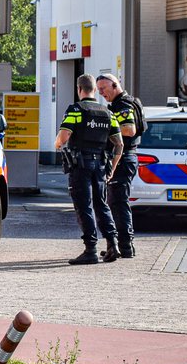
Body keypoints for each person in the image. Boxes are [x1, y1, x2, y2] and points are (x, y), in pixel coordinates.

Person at [55, 74, 122, 265]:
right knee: (102, 204)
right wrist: (112, 168)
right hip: (101, 165)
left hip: (80, 165)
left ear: (79, 89)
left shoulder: (76, 110)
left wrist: (56, 144)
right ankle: (112, 244)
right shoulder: (108, 113)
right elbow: (119, 144)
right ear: (94, 89)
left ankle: (90, 249)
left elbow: (63, 137)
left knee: (84, 206)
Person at [96, 72, 143, 259]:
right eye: (98, 90)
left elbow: (129, 130)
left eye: (104, 89)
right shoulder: (126, 102)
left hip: (123, 159)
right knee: (116, 203)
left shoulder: (123, 105)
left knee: (118, 203)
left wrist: (103, 129)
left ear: (115, 85)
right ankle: (120, 246)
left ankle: (125, 246)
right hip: (125, 158)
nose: (101, 93)